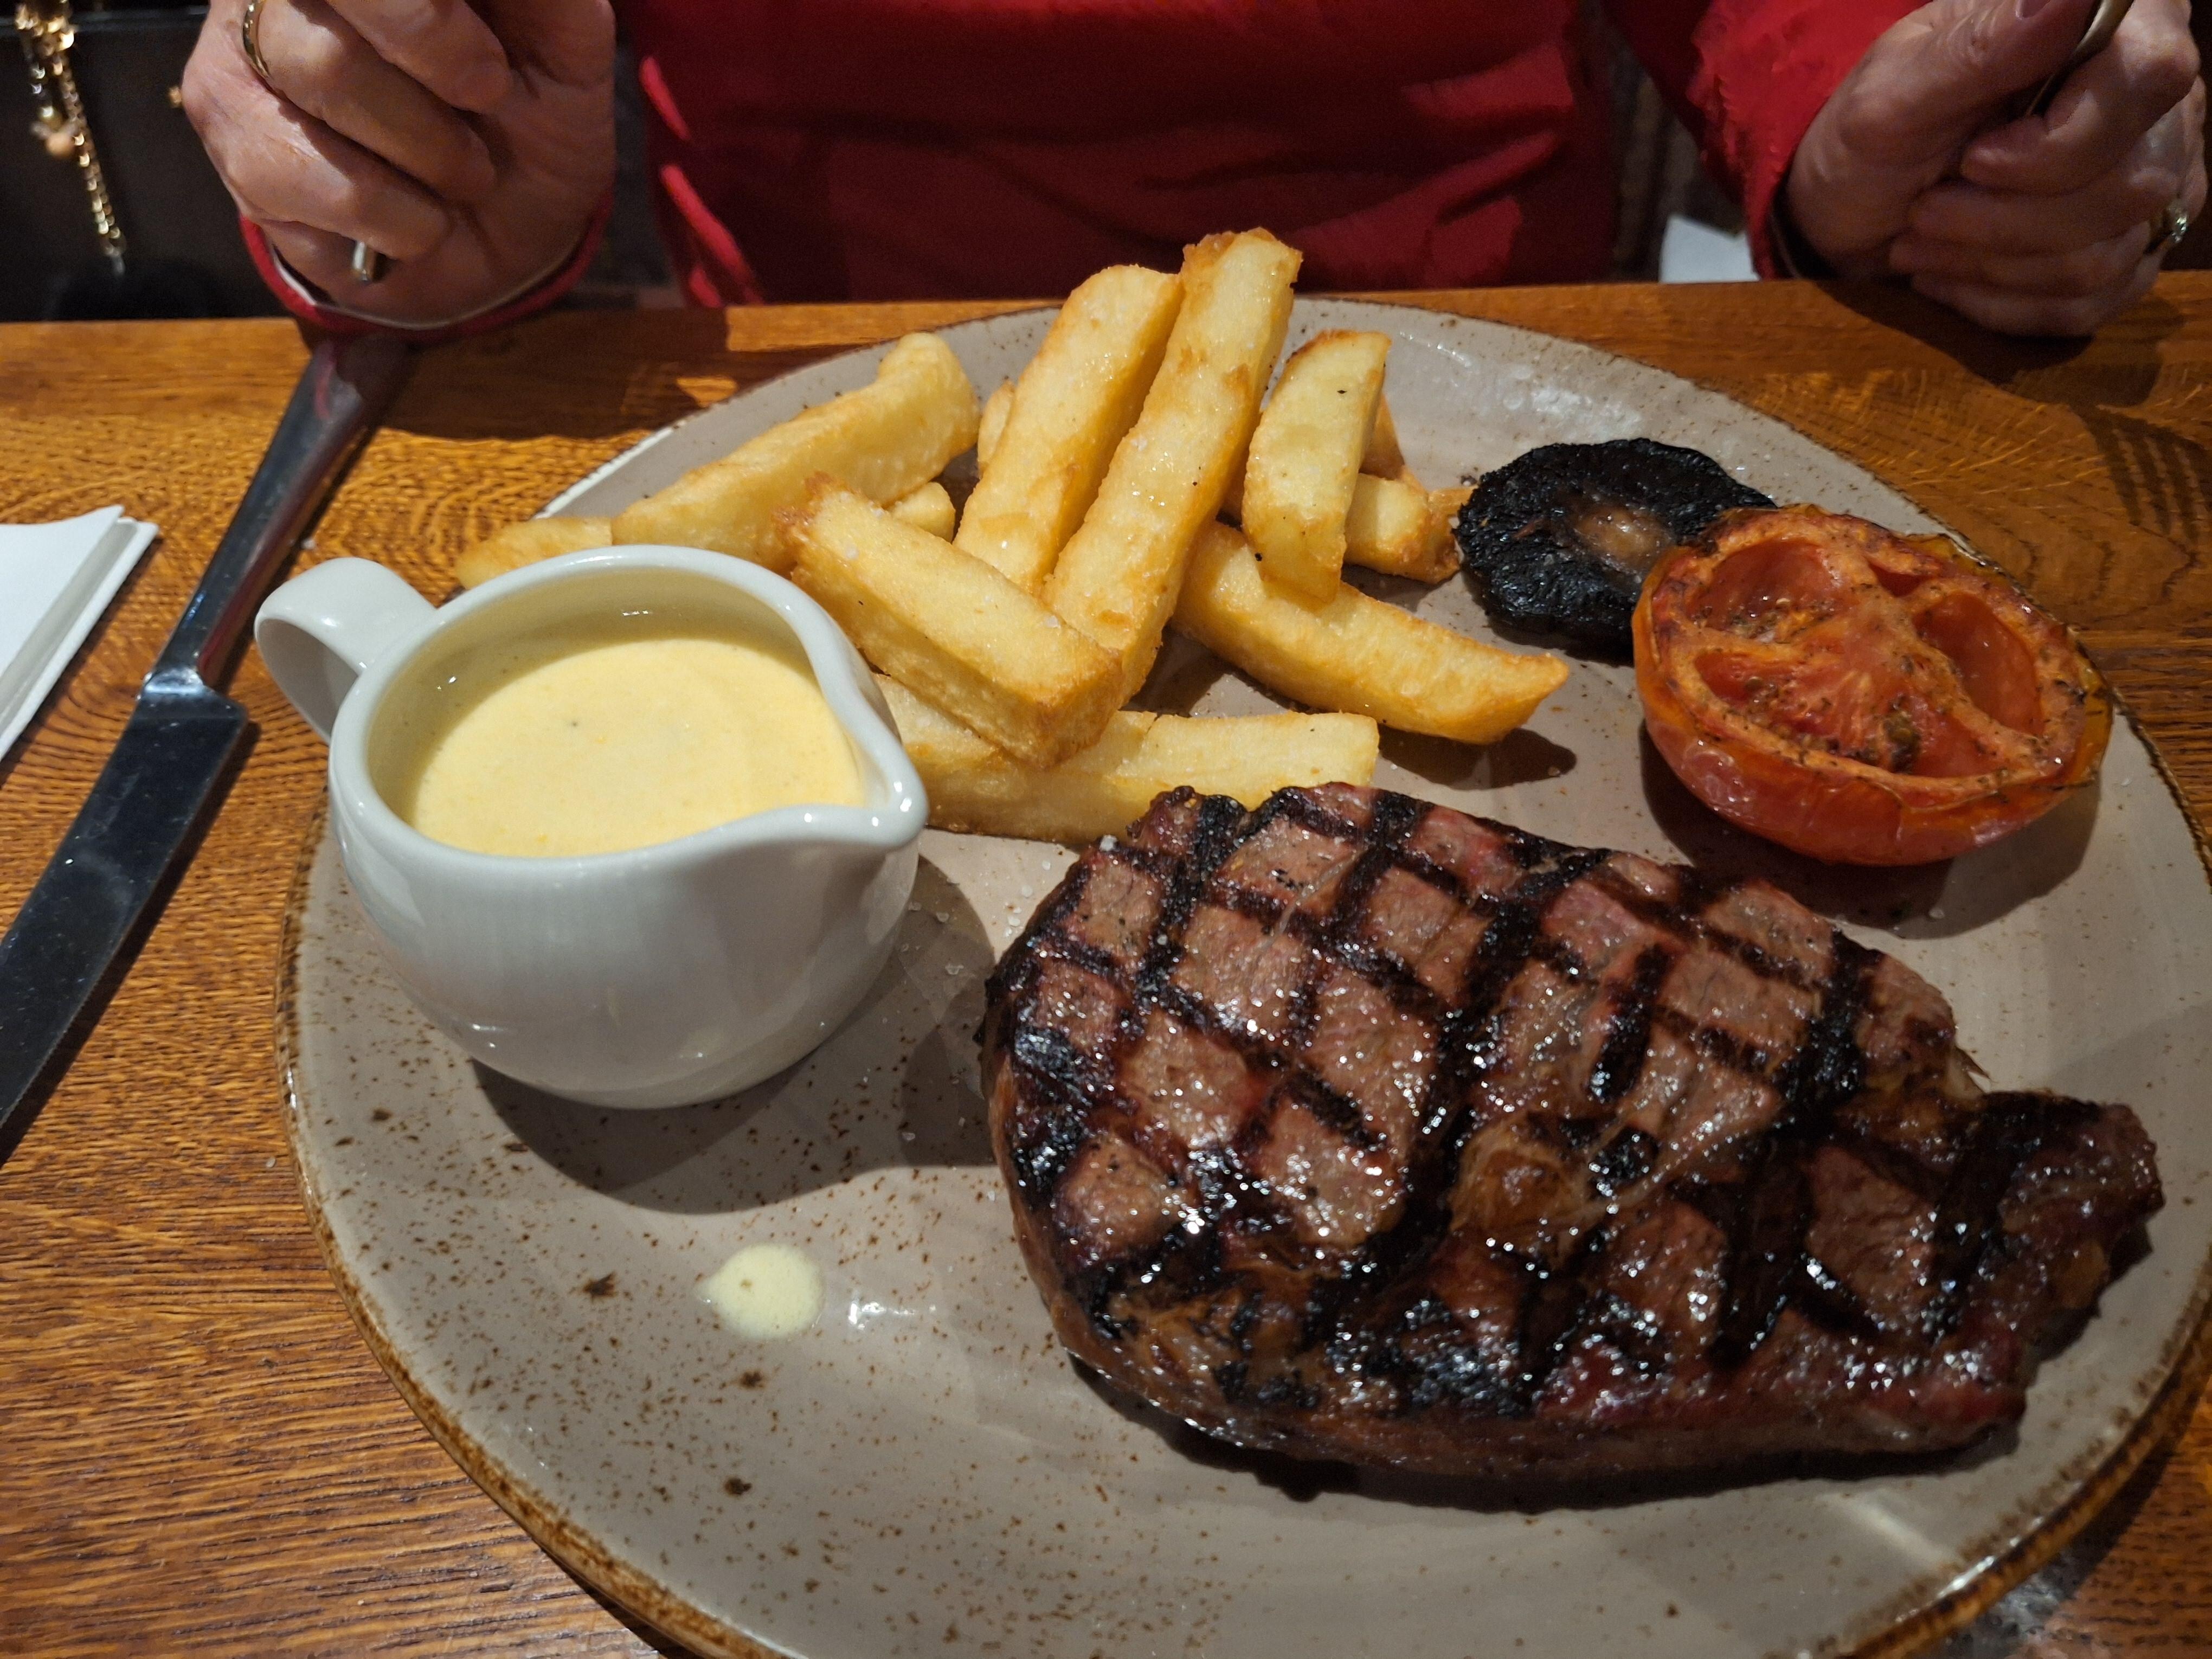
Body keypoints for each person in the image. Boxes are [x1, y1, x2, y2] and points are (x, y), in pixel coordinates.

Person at [182, 0, 2204, 339]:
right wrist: (408, 178)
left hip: (1491, 402)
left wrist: (1920, 124)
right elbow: (417, 92)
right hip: (829, 417)